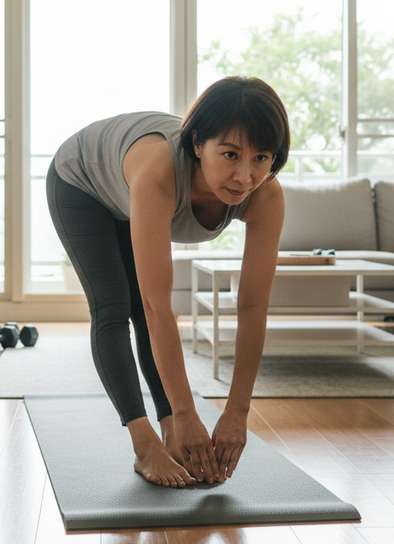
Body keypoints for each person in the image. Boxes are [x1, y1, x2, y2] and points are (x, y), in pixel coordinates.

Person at [46, 76, 290, 488]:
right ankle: (145, 446)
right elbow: (159, 306)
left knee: (146, 316)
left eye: (261, 158)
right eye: (230, 154)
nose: (244, 176)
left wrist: (237, 413)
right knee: (116, 306)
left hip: (126, 189)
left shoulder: (265, 196)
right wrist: (187, 412)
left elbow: (252, 307)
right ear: (197, 144)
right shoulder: (159, 170)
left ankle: (171, 434)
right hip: (81, 180)